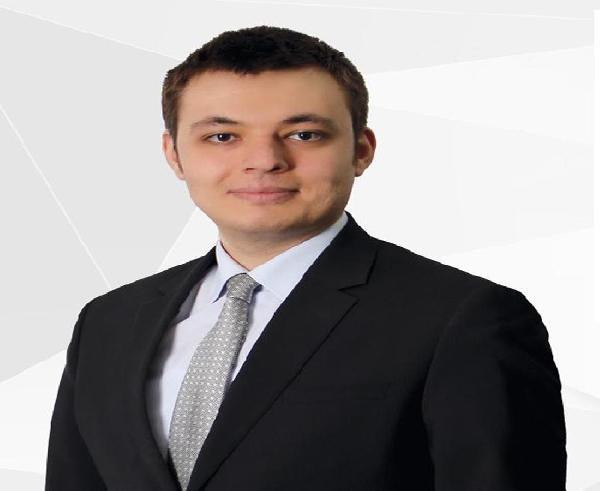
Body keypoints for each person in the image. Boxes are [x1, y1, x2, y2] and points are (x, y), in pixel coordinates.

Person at [45, 25, 567, 491]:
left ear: (361, 150)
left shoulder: (463, 320)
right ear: (174, 154)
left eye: (304, 134)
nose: (264, 161)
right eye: (222, 136)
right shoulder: (109, 322)